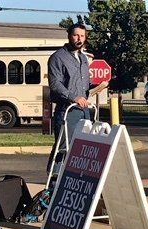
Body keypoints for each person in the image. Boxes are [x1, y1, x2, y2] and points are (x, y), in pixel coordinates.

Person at [47, 23, 94, 173]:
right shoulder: (58, 57)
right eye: (76, 35)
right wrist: (74, 97)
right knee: (63, 149)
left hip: (85, 112)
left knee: (81, 151)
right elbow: (55, 84)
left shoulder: (84, 59)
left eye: (82, 35)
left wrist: (99, 86)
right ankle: (53, 185)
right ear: (69, 36)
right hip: (67, 112)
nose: (79, 38)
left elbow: (84, 85)